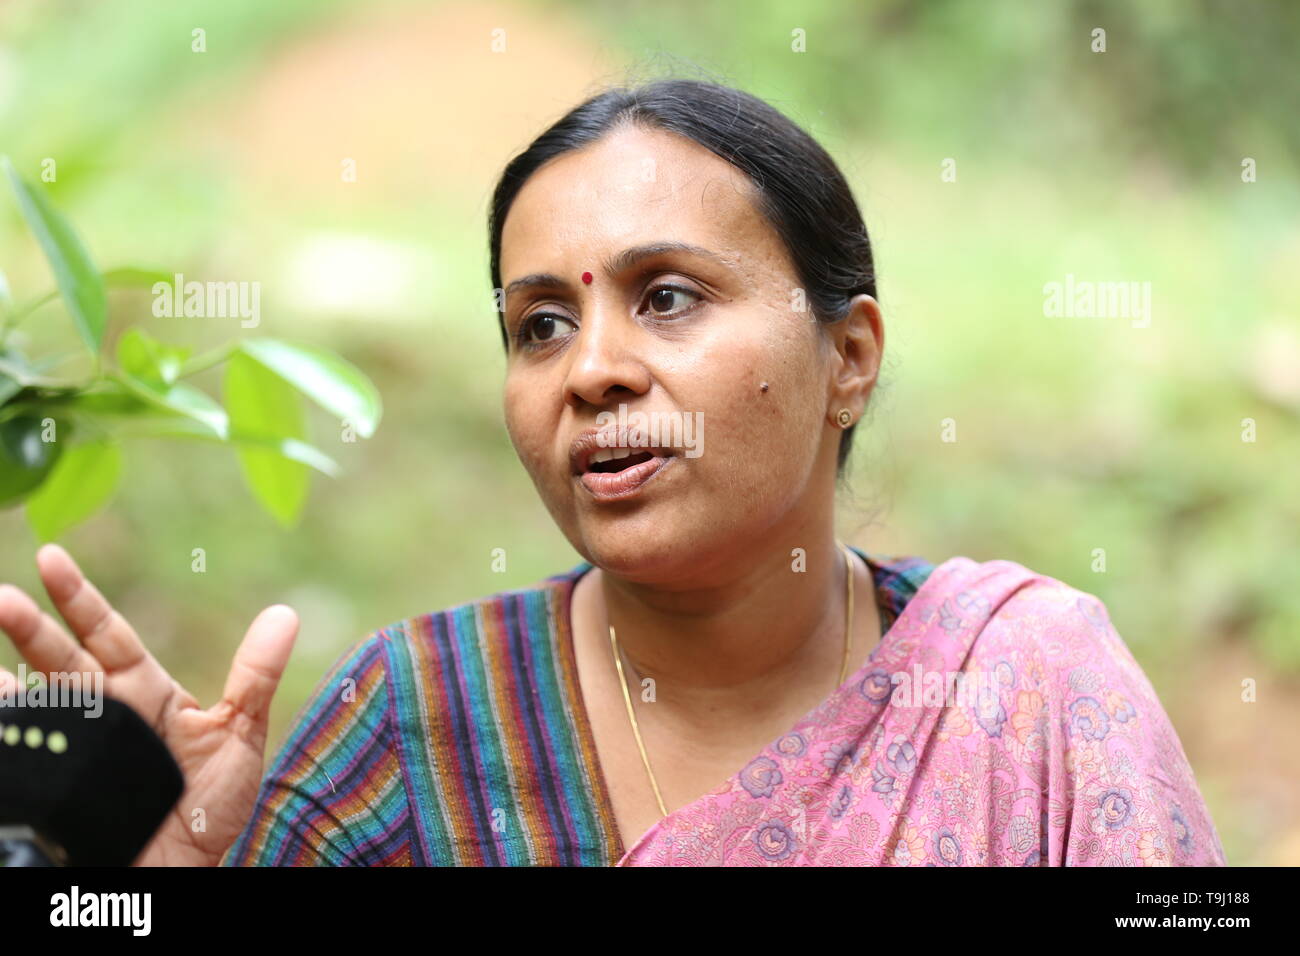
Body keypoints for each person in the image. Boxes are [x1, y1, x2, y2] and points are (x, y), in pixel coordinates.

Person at [0, 78, 1227, 866]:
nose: (592, 371)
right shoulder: (413, 726)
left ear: (847, 356)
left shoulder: (1032, 689)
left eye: (670, 297)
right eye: (539, 326)